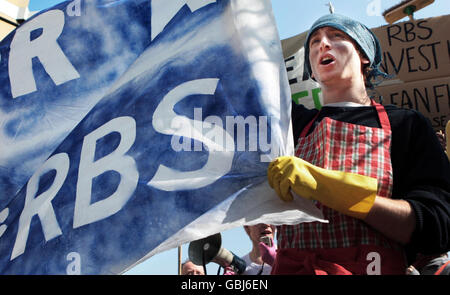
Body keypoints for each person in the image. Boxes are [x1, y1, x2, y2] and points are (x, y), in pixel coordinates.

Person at [267, 13, 450, 275]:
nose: (323, 44)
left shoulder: (406, 125)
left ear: (364, 55)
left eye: (337, 36)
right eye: (314, 42)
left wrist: (340, 192)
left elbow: (437, 226)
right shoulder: (291, 125)